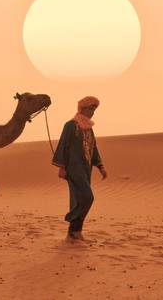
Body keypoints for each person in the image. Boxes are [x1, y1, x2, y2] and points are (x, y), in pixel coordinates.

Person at [52, 96, 108, 241]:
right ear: (82, 108)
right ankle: (71, 220)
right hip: (73, 168)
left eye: (95, 109)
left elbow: (93, 147)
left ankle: (75, 232)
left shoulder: (88, 128)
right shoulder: (70, 125)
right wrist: (62, 167)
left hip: (85, 169)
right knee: (87, 197)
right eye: (91, 108)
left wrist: (100, 166)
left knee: (78, 199)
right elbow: (63, 145)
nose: (93, 112)